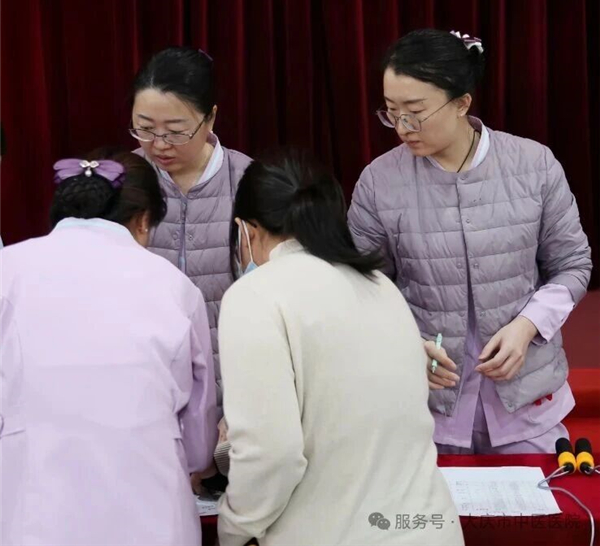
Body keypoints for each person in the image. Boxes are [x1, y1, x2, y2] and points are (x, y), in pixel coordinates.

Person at [348, 29, 592, 455]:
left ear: (462, 103)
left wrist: (527, 326)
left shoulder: (534, 165)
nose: (402, 128)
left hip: (525, 398)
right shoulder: (379, 181)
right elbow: (360, 287)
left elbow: (572, 264)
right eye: (392, 112)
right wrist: (404, 346)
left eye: (415, 112)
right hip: (424, 403)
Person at [216, 154, 464, 546]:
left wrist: (234, 529)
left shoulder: (253, 296)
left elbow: (271, 455)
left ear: (247, 230)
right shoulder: (379, 284)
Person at [0, 150, 218, 546]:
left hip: (35, 512)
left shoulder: (8, 270)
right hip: (152, 511)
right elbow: (198, 436)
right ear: (144, 220)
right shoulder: (173, 286)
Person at [130, 47, 251, 420]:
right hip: (142, 385)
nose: (159, 144)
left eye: (176, 132)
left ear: (210, 118)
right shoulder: (123, 184)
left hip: (232, 388)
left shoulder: (248, 183)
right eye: (145, 128)